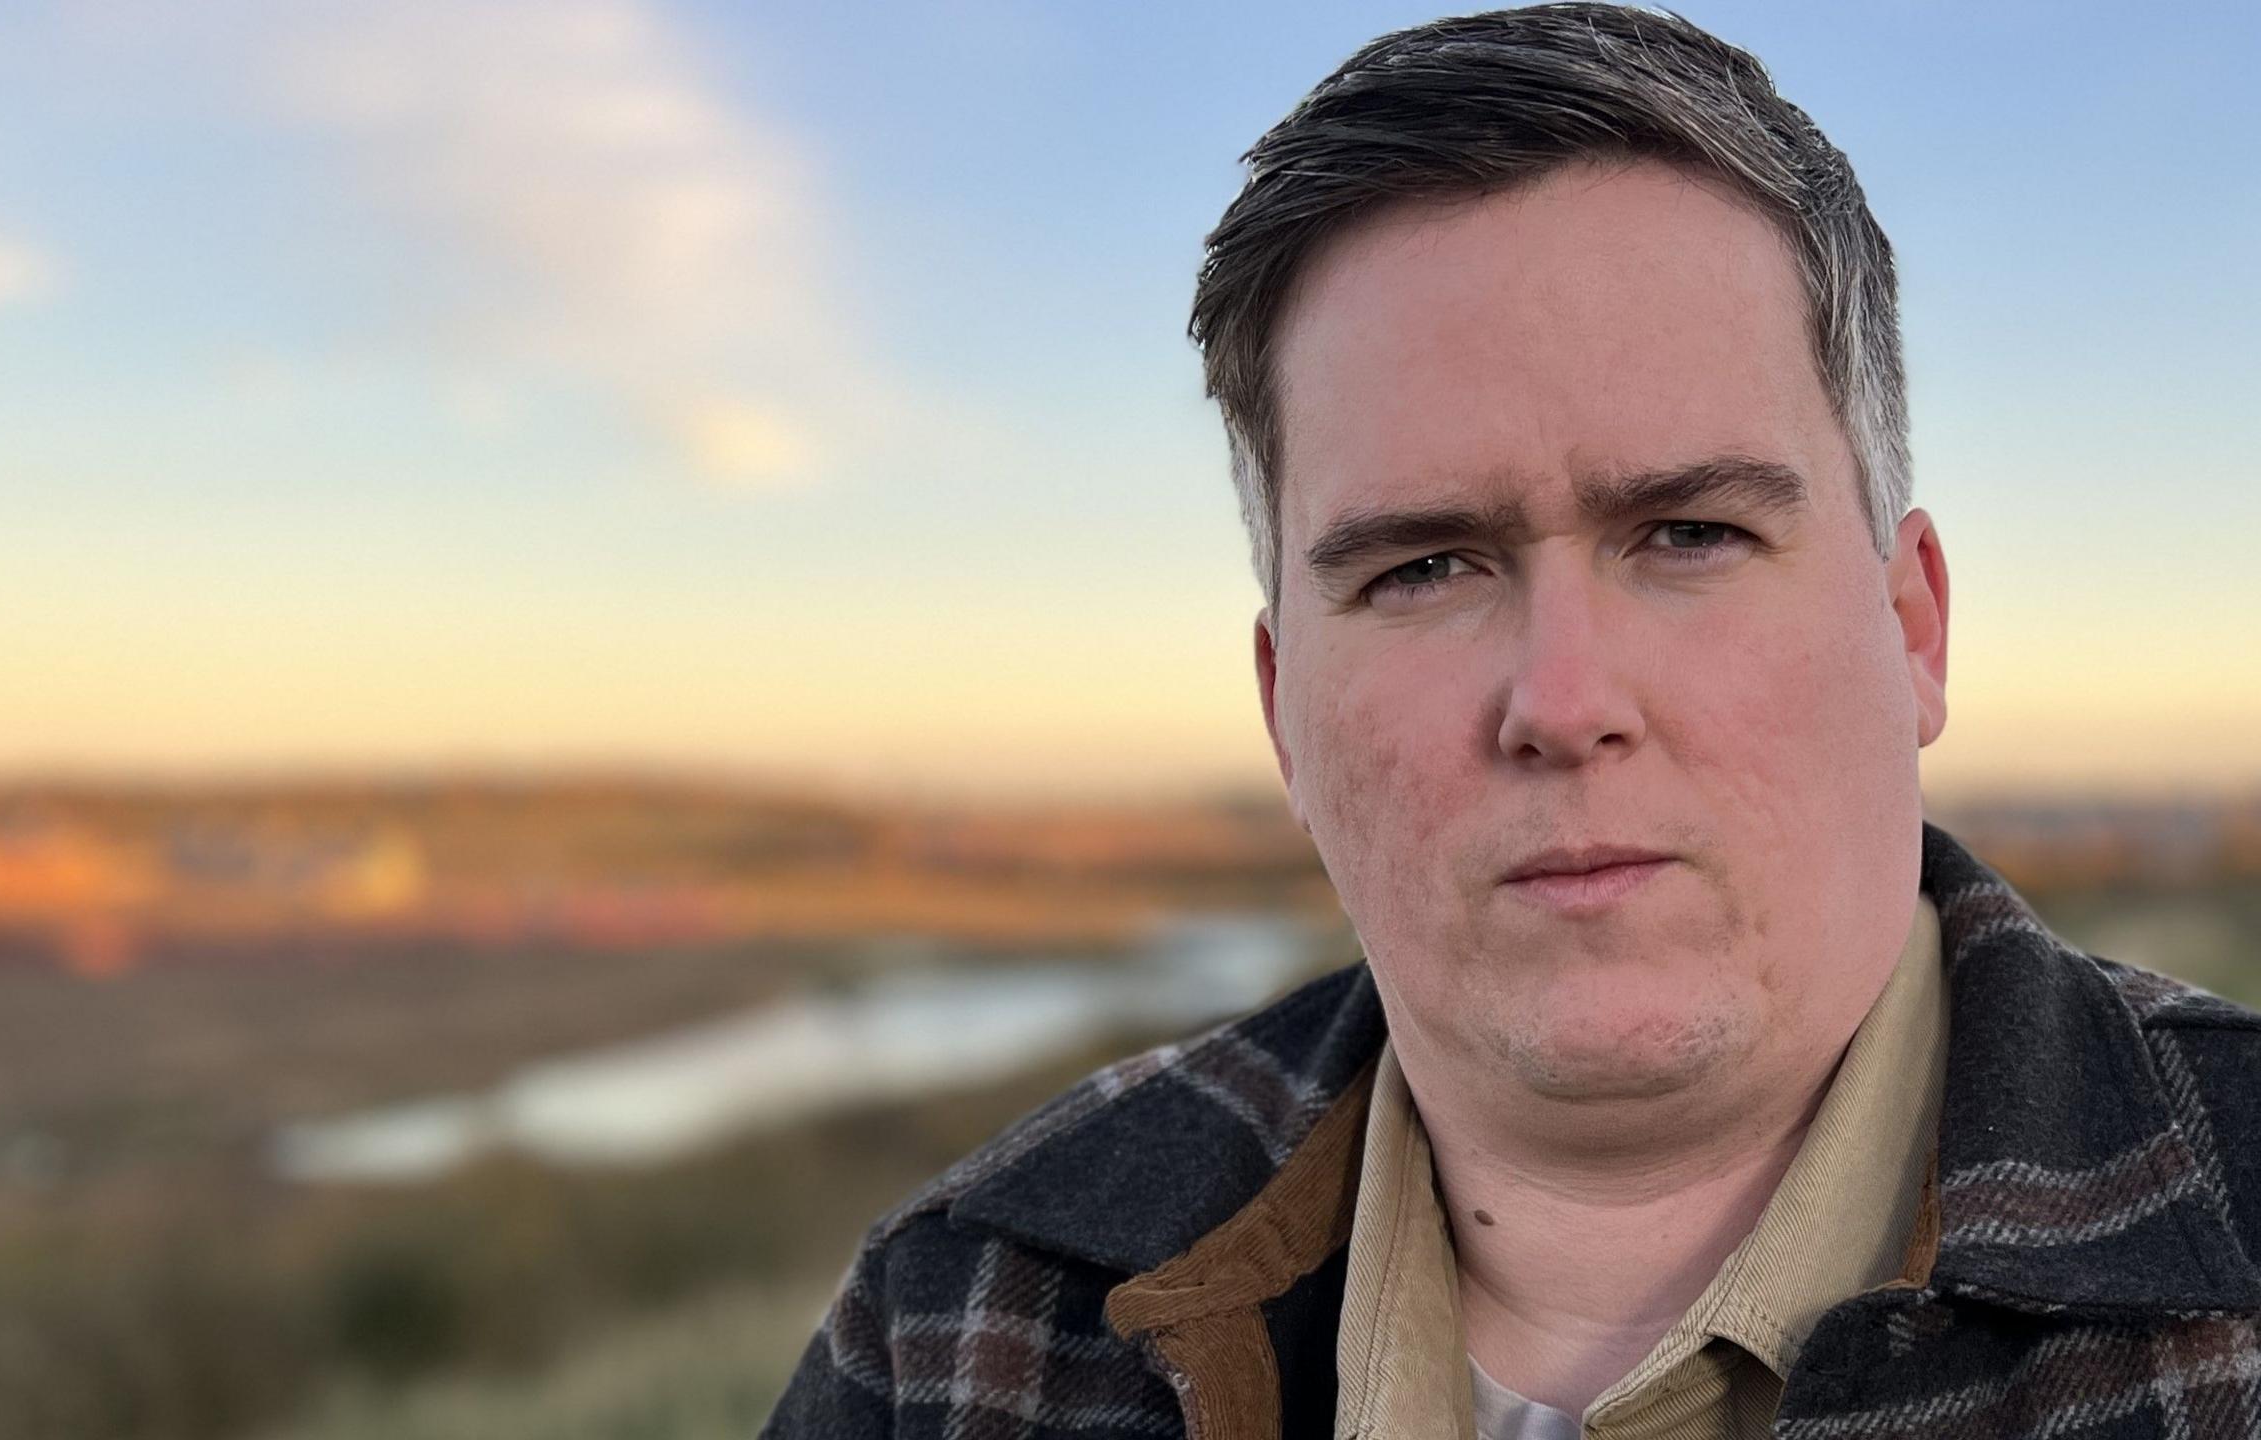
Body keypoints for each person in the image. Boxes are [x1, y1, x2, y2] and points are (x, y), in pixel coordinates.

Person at [763, 6, 2261, 1437]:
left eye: (1689, 534)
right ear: (1287, 715)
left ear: (1912, 628)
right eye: (1424, 568)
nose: (1562, 704)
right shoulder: (963, 1332)